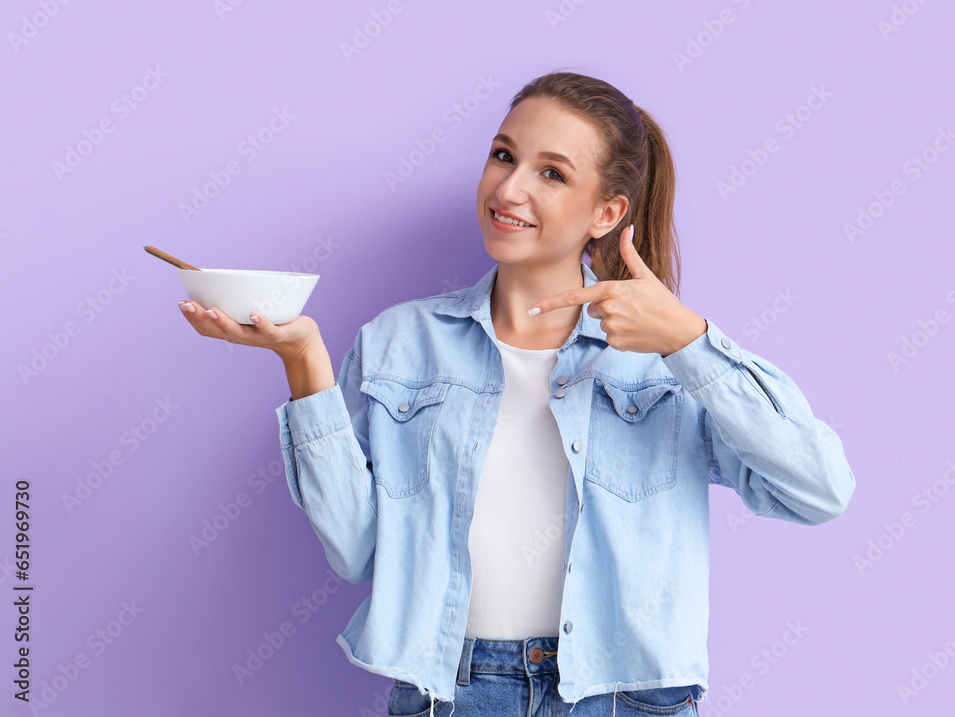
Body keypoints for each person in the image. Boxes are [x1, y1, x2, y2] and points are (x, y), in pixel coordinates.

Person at [179, 71, 856, 717]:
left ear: (607, 212)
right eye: (503, 155)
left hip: (624, 696)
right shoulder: (400, 343)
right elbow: (358, 551)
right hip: (453, 691)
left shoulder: (664, 363)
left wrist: (690, 340)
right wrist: (305, 362)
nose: (509, 188)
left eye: (551, 173)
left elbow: (818, 487)